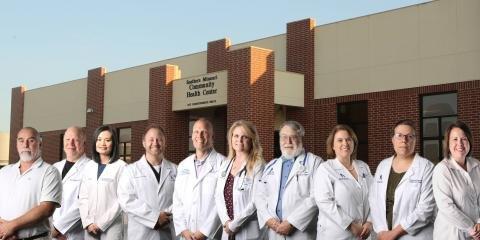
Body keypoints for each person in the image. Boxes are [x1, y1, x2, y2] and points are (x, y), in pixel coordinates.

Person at [255, 120, 322, 239]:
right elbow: (259, 196)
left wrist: (292, 223)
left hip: (301, 232)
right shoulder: (271, 165)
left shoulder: (315, 162)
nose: (288, 142)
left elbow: (316, 197)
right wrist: (269, 220)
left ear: (301, 138)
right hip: (274, 230)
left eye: (293, 137)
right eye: (284, 137)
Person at [369, 120, 435, 240]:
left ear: (415, 140)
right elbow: (373, 200)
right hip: (383, 234)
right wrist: (381, 232)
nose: (404, 140)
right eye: (399, 135)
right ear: (393, 140)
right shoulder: (383, 166)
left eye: (409, 136)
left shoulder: (427, 167)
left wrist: (393, 234)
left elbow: (426, 209)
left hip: (413, 236)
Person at [0, 127, 62, 240]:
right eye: (21, 140)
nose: (25, 145)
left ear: (40, 144)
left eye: (31, 140)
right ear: (17, 144)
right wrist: (3, 229)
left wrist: (11, 226)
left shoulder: (50, 172)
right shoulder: (4, 172)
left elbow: (46, 209)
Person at [118, 124, 177, 240]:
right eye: (151, 139)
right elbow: (126, 200)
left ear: (165, 143)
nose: (155, 143)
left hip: (168, 231)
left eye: (159, 139)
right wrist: (155, 218)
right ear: (144, 143)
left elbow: (182, 198)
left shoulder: (176, 170)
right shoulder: (130, 171)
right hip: (141, 234)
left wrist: (166, 217)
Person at [314, 124, 373, 240]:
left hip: (364, 233)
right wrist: (350, 225)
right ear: (333, 146)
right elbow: (324, 202)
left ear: (353, 143)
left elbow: (375, 198)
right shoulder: (325, 168)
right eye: (340, 140)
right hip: (337, 234)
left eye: (348, 140)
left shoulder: (363, 167)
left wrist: (370, 222)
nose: (345, 143)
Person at [172, 118, 225, 240]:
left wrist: (204, 232)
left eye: (204, 132)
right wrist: (183, 230)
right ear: (192, 136)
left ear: (212, 137)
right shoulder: (183, 165)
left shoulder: (223, 164)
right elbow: (177, 200)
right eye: (196, 132)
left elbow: (222, 202)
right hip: (186, 235)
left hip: (210, 235)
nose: (199, 136)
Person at [215, 120, 265, 240]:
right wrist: (226, 221)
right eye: (236, 136)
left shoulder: (259, 166)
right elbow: (218, 196)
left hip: (248, 231)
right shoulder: (225, 164)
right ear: (231, 138)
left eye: (245, 137)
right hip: (227, 230)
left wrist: (235, 224)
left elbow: (256, 200)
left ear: (252, 140)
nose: (239, 140)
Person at [432, 120, 480, 240]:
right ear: (447, 144)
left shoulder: (477, 165)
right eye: (454, 139)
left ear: (469, 142)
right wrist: (471, 228)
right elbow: (446, 207)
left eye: (464, 139)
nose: (460, 143)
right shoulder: (442, 169)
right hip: (451, 234)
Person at [78, 125, 126, 240]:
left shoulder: (122, 167)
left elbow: (121, 200)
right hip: (90, 225)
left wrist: (101, 223)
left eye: (107, 140)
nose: (102, 143)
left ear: (113, 143)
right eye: (99, 140)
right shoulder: (89, 166)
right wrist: (88, 222)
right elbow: (83, 197)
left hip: (112, 226)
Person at [52, 127, 91, 240]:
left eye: (76, 140)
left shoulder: (92, 168)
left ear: (84, 143)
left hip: (74, 234)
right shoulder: (54, 167)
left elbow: (86, 205)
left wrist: (58, 228)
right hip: (49, 232)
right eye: (67, 139)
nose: (71, 143)